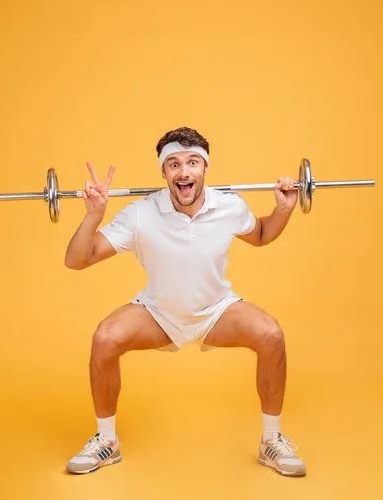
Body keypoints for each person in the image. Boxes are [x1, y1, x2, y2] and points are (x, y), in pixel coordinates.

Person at [64, 127, 306, 477]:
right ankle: (107, 441)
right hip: (160, 314)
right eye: (174, 164)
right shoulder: (140, 214)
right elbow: (77, 259)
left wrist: (283, 209)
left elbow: (263, 234)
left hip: (216, 311)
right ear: (164, 173)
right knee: (105, 339)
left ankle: (272, 441)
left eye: (193, 162)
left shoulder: (230, 205)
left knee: (271, 335)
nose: (184, 172)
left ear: (205, 168)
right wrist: (93, 216)